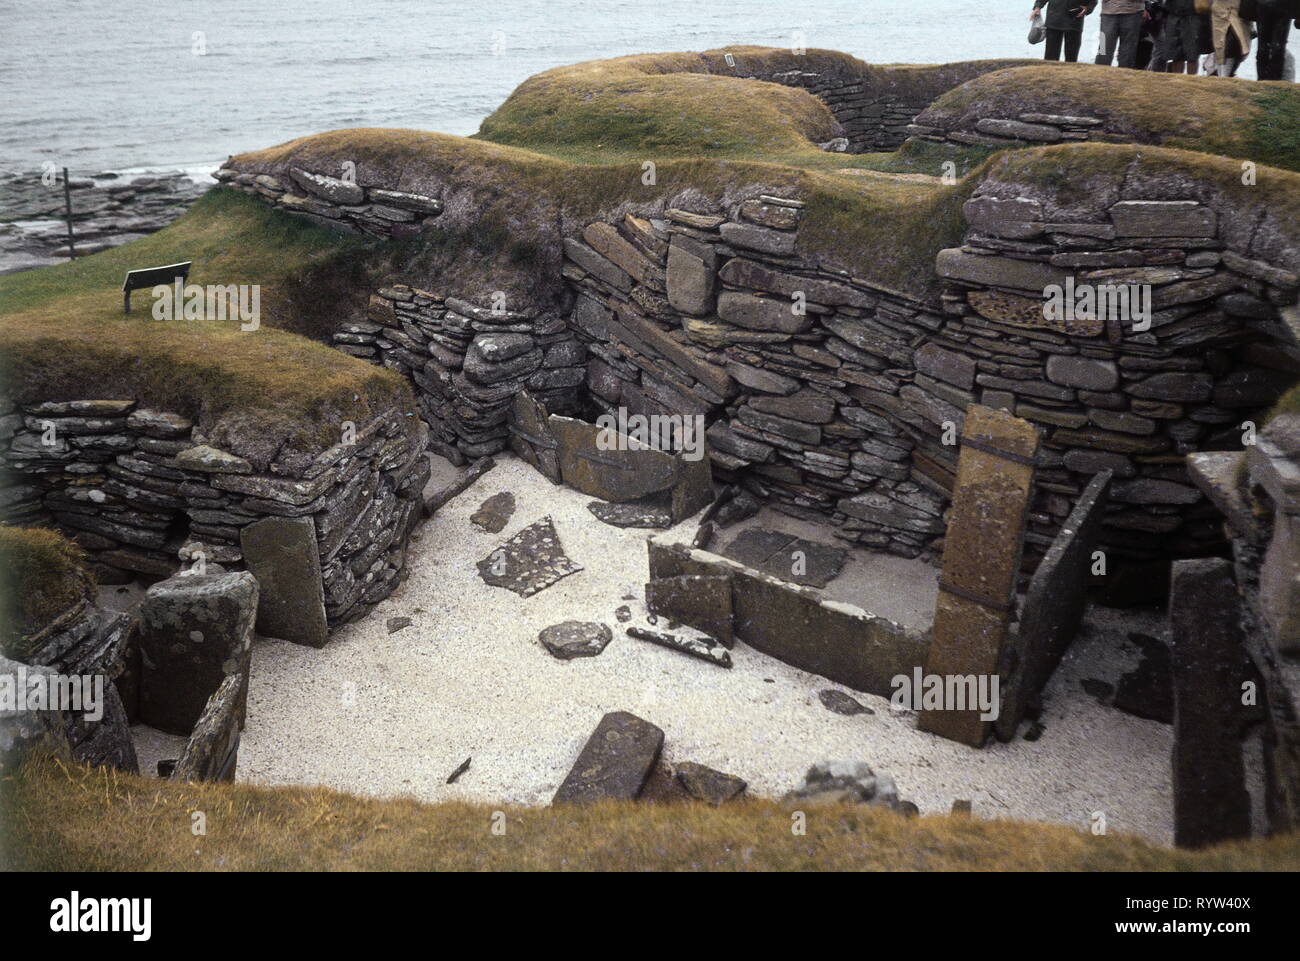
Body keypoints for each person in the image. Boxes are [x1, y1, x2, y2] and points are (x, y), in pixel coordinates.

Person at [1031, 0, 1098, 61]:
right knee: (1050, 58)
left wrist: (1088, 9)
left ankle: (1071, 73)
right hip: (1054, 21)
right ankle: (1050, 73)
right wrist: (1037, 7)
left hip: (1074, 21)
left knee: (1071, 59)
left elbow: (1093, 1)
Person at [1096, 0, 1151, 67]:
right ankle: (1100, 73)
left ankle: (1124, 74)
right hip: (1108, 13)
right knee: (1103, 47)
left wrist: (1147, 8)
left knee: (1128, 50)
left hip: (1134, 12)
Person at [1255, 0, 1300, 79]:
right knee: (1269, 47)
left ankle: (1270, 80)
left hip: (1280, 8)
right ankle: (1267, 79)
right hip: (1270, 7)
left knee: (1271, 47)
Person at [1160, 0, 1205, 71]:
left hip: (1192, 15)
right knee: (1175, 54)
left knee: (1192, 53)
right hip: (1173, 14)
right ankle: (1177, 80)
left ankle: (1191, 80)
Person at [1210, 0, 1253, 76]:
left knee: (1240, 46)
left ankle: (1226, 74)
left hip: (1239, 11)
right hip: (1220, 11)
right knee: (1224, 46)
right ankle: (1224, 76)